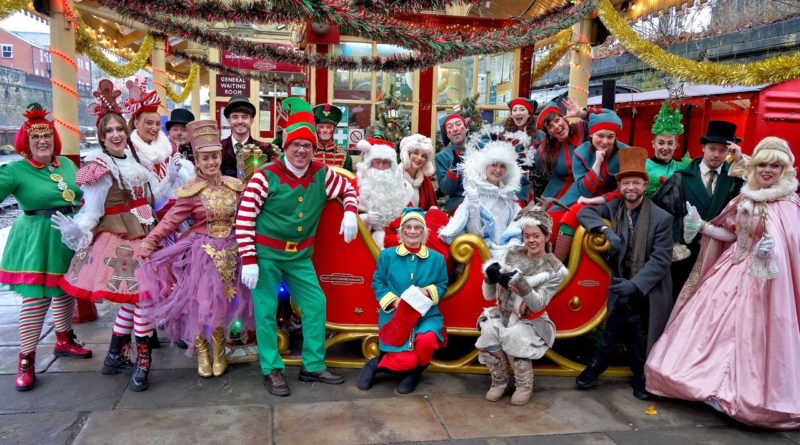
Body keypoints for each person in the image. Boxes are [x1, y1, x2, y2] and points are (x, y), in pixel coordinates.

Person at [645, 137, 800, 429]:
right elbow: (732, 235)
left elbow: (791, 249)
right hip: (731, 271)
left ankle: (742, 394)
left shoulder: (789, 204)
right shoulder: (745, 198)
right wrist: (704, 227)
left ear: (784, 169)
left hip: (767, 284)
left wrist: (769, 254)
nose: (767, 170)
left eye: (774, 166)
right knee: (709, 330)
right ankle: (704, 387)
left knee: (751, 337)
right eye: (763, 164)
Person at [235, 97, 359, 397]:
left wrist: (351, 210)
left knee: (315, 303)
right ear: (286, 146)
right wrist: (249, 259)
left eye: (307, 145)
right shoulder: (265, 176)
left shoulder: (322, 173)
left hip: (300, 256)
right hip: (266, 255)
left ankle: (313, 365)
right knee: (264, 312)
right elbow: (245, 217)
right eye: (296, 145)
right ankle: (271, 368)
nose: (302, 150)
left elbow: (349, 187)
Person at [55, 80, 166, 392]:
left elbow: (150, 198)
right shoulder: (100, 166)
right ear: (102, 138)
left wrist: (171, 178)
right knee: (143, 299)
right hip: (121, 239)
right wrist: (79, 229)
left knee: (133, 301)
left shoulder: (132, 161)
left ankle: (116, 354)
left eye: (120, 129)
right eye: (110, 132)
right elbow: (93, 209)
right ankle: (143, 362)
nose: (117, 135)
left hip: (145, 231)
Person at [136, 120, 252, 378]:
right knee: (200, 305)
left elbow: (249, 214)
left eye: (214, 157)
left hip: (233, 253)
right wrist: (150, 242)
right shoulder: (191, 192)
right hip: (202, 255)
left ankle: (219, 350)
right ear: (196, 161)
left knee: (223, 306)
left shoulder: (234, 186)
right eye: (205, 158)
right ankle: (201, 350)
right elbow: (170, 221)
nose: (211, 163)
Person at [0, 103, 91, 391]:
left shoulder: (65, 164)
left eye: (47, 136)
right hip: (38, 240)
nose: (42, 141)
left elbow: (81, 193)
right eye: (36, 137)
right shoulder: (15, 170)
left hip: (69, 235)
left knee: (66, 290)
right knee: (37, 298)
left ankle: (64, 339)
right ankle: (26, 359)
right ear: (25, 142)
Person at [574, 146, 673, 400]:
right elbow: (584, 212)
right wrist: (605, 231)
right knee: (627, 315)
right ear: (620, 186)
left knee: (627, 306)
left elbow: (661, 260)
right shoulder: (615, 207)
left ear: (644, 185)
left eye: (636, 183)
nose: (631, 187)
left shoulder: (661, 218)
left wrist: (636, 285)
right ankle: (639, 372)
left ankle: (601, 358)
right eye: (626, 182)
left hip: (649, 287)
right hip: (619, 281)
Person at [477, 204, 567, 405]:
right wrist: (490, 277)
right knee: (489, 333)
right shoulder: (512, 254)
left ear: (546, 237)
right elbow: (487, 295)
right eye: (527, 236)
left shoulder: (554, 269)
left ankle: (524, 385)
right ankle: (499, 382)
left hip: (531, 320)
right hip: (503, 314)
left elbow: (538, 304)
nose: (531, 240)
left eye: (536, 235)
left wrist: (518, 282)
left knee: (516, 337)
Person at [357, 209, 448, 394]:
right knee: (405, 360)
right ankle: (376, 365)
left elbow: (442, 285)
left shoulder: (437, 259)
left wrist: (427, 291)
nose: (413, 231)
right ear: (401, 232)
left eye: (417, 228)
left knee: (427, 340)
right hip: (396, 315)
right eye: (408, 227)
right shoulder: (387, 256)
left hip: (426, 315)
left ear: (423, 232)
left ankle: (415, 372)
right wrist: (395, 302)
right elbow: (378, 283)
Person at [652, 120, 743, 298]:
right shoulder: (681, 178)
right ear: (703, 148)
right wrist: (674, 242)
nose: (716, 154)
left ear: (730, 152)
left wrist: (740, 161)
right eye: (712, 148)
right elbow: (661, 212)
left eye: (723, 150)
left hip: (719, 255)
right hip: (684, 256)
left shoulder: (735, 181)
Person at [553, 109, 629, 261]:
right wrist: (597, 163)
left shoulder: (626, 153)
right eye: (600, 135)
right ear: (591, 135)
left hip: (612, 202)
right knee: (551, 218)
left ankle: (556, 267)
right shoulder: (581, 153)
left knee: (571, 216)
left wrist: (598, 200)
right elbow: (585, 191)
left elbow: (626, 189)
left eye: (610, 137)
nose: (605, 141)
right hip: (583, 197)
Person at [439, 140, 522, 257]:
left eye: (502, 166)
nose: (498, 170)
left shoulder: (508, 195)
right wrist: (473, 205)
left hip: (507, 249)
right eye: (494, 164)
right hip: (482, 251)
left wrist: (513, 244)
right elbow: (474, 232)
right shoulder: (474, 193)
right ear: (485, 166)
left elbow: (515, 225)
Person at [124, 79, 194, 216]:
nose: (154, 128)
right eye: (149, 123)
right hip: (142, 216)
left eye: (157, 124)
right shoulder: (128, 152)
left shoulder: (169, 150)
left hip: (175, 214)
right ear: (137, 123)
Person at [531, 99, 594, 242]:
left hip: (586, 187)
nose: (557, 126)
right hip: (557, 189)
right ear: (549, 133)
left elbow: (606, 120)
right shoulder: (547, 149)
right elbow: (531, 164)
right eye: (550, 126)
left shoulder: (581, 128)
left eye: (557, 120)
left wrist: (581, 113)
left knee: (552, 219)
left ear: (564, 118)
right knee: (536, 219)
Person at [352, 137, 411, 249]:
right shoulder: (356, 185)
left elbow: (409, 212)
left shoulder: (402, 186)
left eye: (385, 163)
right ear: (369, 163)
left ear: (392, 165)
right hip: (364, 238)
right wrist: (366, 218)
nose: (380, 167)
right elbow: (345, 214)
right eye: (377, 162)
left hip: (396, 234)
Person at [644, 101, 690, 197]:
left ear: (675, 145)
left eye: (670, 143)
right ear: (653, 144)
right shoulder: (643, 166)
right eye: (661, 143)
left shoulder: (682, 168)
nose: (665, 147)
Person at [220, 95, 274, 178]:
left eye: (244, 117)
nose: (240, 121)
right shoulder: (219, 148)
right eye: (235, 117)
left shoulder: (265, 149)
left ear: (251, 121)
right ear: (228, 121)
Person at [435, 114, 469, 213]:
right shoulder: (442, 156)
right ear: (447, 134)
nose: (455, 129)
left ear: (465, 128)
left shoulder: (480, 147)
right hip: (460, 202)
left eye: (458, 124)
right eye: (450, 127)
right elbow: (446, 190)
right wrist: (454, 168)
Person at [399, 134, 437, 211]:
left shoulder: (426, 182)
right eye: (415, 153)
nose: (419, 158)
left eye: (423, 156)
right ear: (406, 154)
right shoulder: (394, 177)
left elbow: (432, 208)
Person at [312, 103, 352, 171]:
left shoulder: (344, 155)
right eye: (321, 127)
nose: (325, 130)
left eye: (328, 127)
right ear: (315, 128)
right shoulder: (308, 152)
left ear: (334, 129)